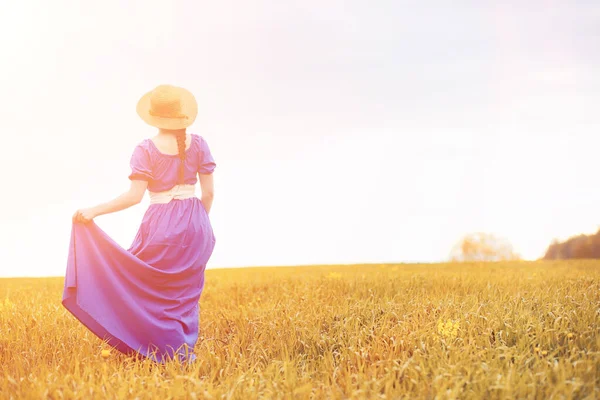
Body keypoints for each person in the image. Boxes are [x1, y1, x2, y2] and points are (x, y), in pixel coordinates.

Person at [62, 84, 216, 363]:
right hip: (197, 225)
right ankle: (180, 355)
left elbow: (134, 197)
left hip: (161, 226)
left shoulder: (146, 149)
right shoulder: (201, 144)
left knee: (143, 286)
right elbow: (209, 194)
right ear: (181, 115)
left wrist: (94, 211)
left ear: (154, 116)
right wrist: (196, 223)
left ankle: (155, 352)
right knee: (182, 298)